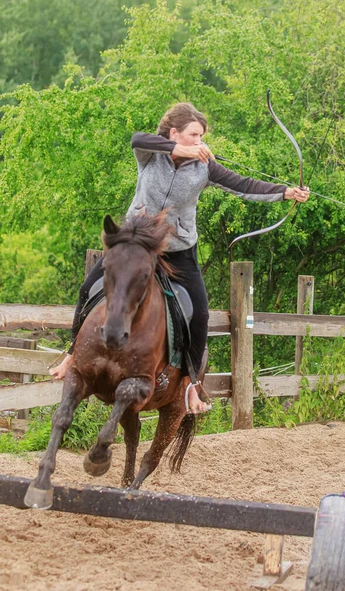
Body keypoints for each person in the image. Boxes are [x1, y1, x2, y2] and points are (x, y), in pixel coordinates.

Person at [50, 102, 310, 413]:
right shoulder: (150, 155)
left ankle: (190, 386)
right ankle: (71, 354)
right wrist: (182, 150)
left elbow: (243, 185)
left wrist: (285, 192)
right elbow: (137, 138)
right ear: (175, 133)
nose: (200, 142)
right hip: (137, 245)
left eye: (202, 137)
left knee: (199, 313)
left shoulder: (206, 168)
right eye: (195, 135)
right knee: (87, 290)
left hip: (179, 250)